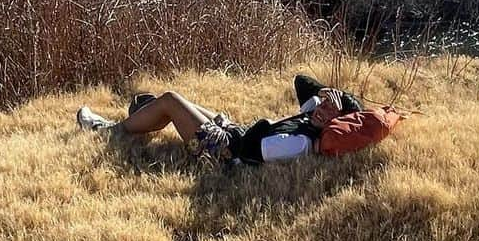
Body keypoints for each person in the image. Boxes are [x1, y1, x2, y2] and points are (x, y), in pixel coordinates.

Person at [76, 73, 362, 165]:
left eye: (330, 111)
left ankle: (108, 130)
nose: (322, 109)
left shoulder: (300, 142)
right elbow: (301, 81)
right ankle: (145, 114)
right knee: (181, 105)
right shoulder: (311, 115)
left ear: (336, 122)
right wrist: (326, 92)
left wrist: (225, 129)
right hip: (234, 133)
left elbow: (251, 152)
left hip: (223, 154)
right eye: (324, 104)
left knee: (171, 100)